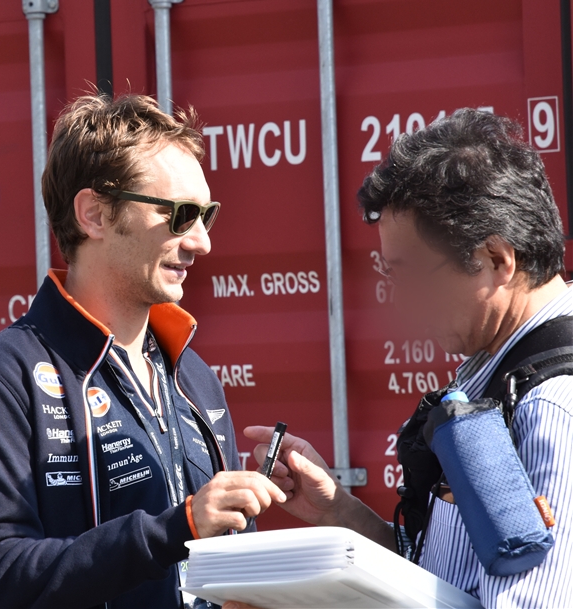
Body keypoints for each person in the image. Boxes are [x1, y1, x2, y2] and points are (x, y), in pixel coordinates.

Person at [0, 93, 287, 609]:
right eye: (180, 215)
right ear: (95, 214)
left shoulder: (193, 378)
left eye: (206, 216)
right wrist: (178, 527)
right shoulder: (0, 379)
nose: (201, 242)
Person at [243, 108, 572, 608]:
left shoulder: (550, 406)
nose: (400, 301)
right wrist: (340, 514)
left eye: (413, 271)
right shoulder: (500, 382)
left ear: (498, 259)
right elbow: (450, 583)